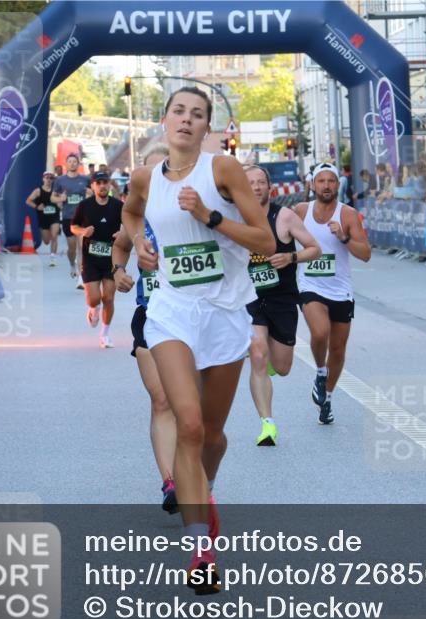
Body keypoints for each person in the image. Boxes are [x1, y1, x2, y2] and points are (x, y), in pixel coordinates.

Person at [121, 87, 275, 593]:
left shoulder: (222, 171)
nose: (187, 121)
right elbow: (132, 214)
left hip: (225, 314)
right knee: (186, 423)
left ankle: (202, 490)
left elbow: (265, 241)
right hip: (170, 314)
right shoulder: (146, 176)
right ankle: (200, 549)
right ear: (164, 121)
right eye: (179, 112)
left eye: (198, 115)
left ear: (208, 127)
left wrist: (211, 217)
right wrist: (143, 246)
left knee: (210, 435)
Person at [111, 143, 179, 514]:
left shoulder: (193, 213)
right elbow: (119, 248)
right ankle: (170, 482)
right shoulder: (137, 221)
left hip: (191, 318)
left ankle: (193, 474)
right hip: (150, 315)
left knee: (192, 406)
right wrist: (119, 272)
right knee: (162, 399)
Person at [245, 164, 321, 445]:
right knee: (258, 355)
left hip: (282, 298)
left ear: (269, 187)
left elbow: (315, 248)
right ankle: (267, 424)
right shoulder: (235, 219)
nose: (255, 187)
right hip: (250, 298)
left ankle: (272, 361)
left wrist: (290, 258)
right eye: (250, 183)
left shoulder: (285, 217)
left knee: (283, 366)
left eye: (260, 182)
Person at [294, 163, 371, 425]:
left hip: (340, 289)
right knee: (320, 332)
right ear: (313, 185)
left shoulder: (348, 214)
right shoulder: (301, 211)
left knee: (337, 349)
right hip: (310, 284)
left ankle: (326, 397)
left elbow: (366, 254)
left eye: (331, 181)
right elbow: (279, 233)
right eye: (321, 181)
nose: (326, 186)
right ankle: (320, 371)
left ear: (338, 185)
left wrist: (344, 238)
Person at [71, 171, 122, 348]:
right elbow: (73, 226)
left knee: (108, 297)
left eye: (105, 182)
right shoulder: (85, 205)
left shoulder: (117, 205)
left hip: (111, 258)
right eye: (98, 182)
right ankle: (93, 308)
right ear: (92, 186)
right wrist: (83, 232)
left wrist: (122, 233)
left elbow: (129, 224)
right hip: (91, 259)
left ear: (109, 185)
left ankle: (105, 335)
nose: (102, 186)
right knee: (94, 299)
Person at [53, 154, 92, 286]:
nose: (72, 164)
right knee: (72, 248)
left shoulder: (86, 179)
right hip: (68, 217)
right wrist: (61, 199)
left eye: (75, 161)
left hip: (83, 217)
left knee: (81, 247)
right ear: (66, 164)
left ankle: (81, 278)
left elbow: (96, 193)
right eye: (70, 161)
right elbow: (53, 198)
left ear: (78, 163)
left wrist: (91, 194)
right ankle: (71, 264)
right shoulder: (60, 180)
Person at [25, 173, 62, 265]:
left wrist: (59, 204)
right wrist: (37, 206)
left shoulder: (56, 191)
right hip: (43, 219)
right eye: (47, 178)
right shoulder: (38, 191)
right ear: (43, 179)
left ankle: (52, 258)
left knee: (54, 236)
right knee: (46, 241)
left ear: (53, 180)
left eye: (51, 178)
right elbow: (28, 201)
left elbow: (61, 202)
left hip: (54, 217)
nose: (49, 180)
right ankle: (48, 236)